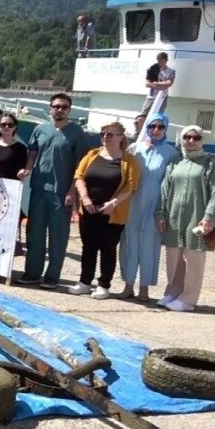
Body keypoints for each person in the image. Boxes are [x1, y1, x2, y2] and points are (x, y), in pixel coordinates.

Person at [17, 93, 90, 288]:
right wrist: (28, 169)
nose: (60, 110)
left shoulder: (76, 133)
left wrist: (72, 192)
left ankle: (52, 276)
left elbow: (80, 165)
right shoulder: (40, 129)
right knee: (34, 233)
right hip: (39, 188)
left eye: (64, 107)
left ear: (69, 110)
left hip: (61, 192)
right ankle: (32, 272)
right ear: (50, 108)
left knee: (58, 236)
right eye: (56, 106)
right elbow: (32, 152)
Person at [157, 125, 215, 312]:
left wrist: (209, 217)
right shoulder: (175, 162)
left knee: (194, 257)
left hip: (197, 217)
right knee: (174, 257)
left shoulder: (210, 163)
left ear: (201, 140)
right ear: (181, 139)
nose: (191, 141)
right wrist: (161, 213)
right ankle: (173, 292)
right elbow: (165, 190)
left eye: (196, 138)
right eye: (187, 137)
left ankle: (188, 299)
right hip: (174, 217)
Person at [68, 122, 138, 299]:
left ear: (121, 137)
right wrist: (84, 198)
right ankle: (84, 282)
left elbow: (130, 186)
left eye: (110, 134)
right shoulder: (92, 154)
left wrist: (114, 203)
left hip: (112, 212)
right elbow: (79, 176)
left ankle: (104, 285)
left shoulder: (129, 161)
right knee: (88, 247)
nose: (105, 137)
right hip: (89, 209)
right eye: (103, 134)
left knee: (108, 248)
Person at [119, 112, 180, 302]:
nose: (156, 130)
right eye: (152, 126)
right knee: (129, 243)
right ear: (146, 128)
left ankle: (144, 287)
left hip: (156, 205)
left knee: (149, 245)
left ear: (165, 129)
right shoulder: (134, 148)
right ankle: (128, 285)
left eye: (160, 127)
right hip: (133, 202)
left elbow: (172, 183)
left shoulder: (171, 153)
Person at [0, 112, 29, 277]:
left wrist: (23, 173)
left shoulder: (20, 148)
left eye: (9, 125)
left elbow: (23, 170)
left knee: (6, 233)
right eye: (3, 125)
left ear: (15, 127)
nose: (6, 127)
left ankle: (0, 268)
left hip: (11, 195)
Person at [142, 52, 175, 117]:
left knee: (157, 116)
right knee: (143, 115)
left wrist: (157, 83)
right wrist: (161, 87)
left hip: (161, 98)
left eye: (161, 61)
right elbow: (147, 84)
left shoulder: (171, 71)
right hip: (150, 97)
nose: (159, 63)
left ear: (166, 60)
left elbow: (169, 83)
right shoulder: (153, 69)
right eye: (158, 61)